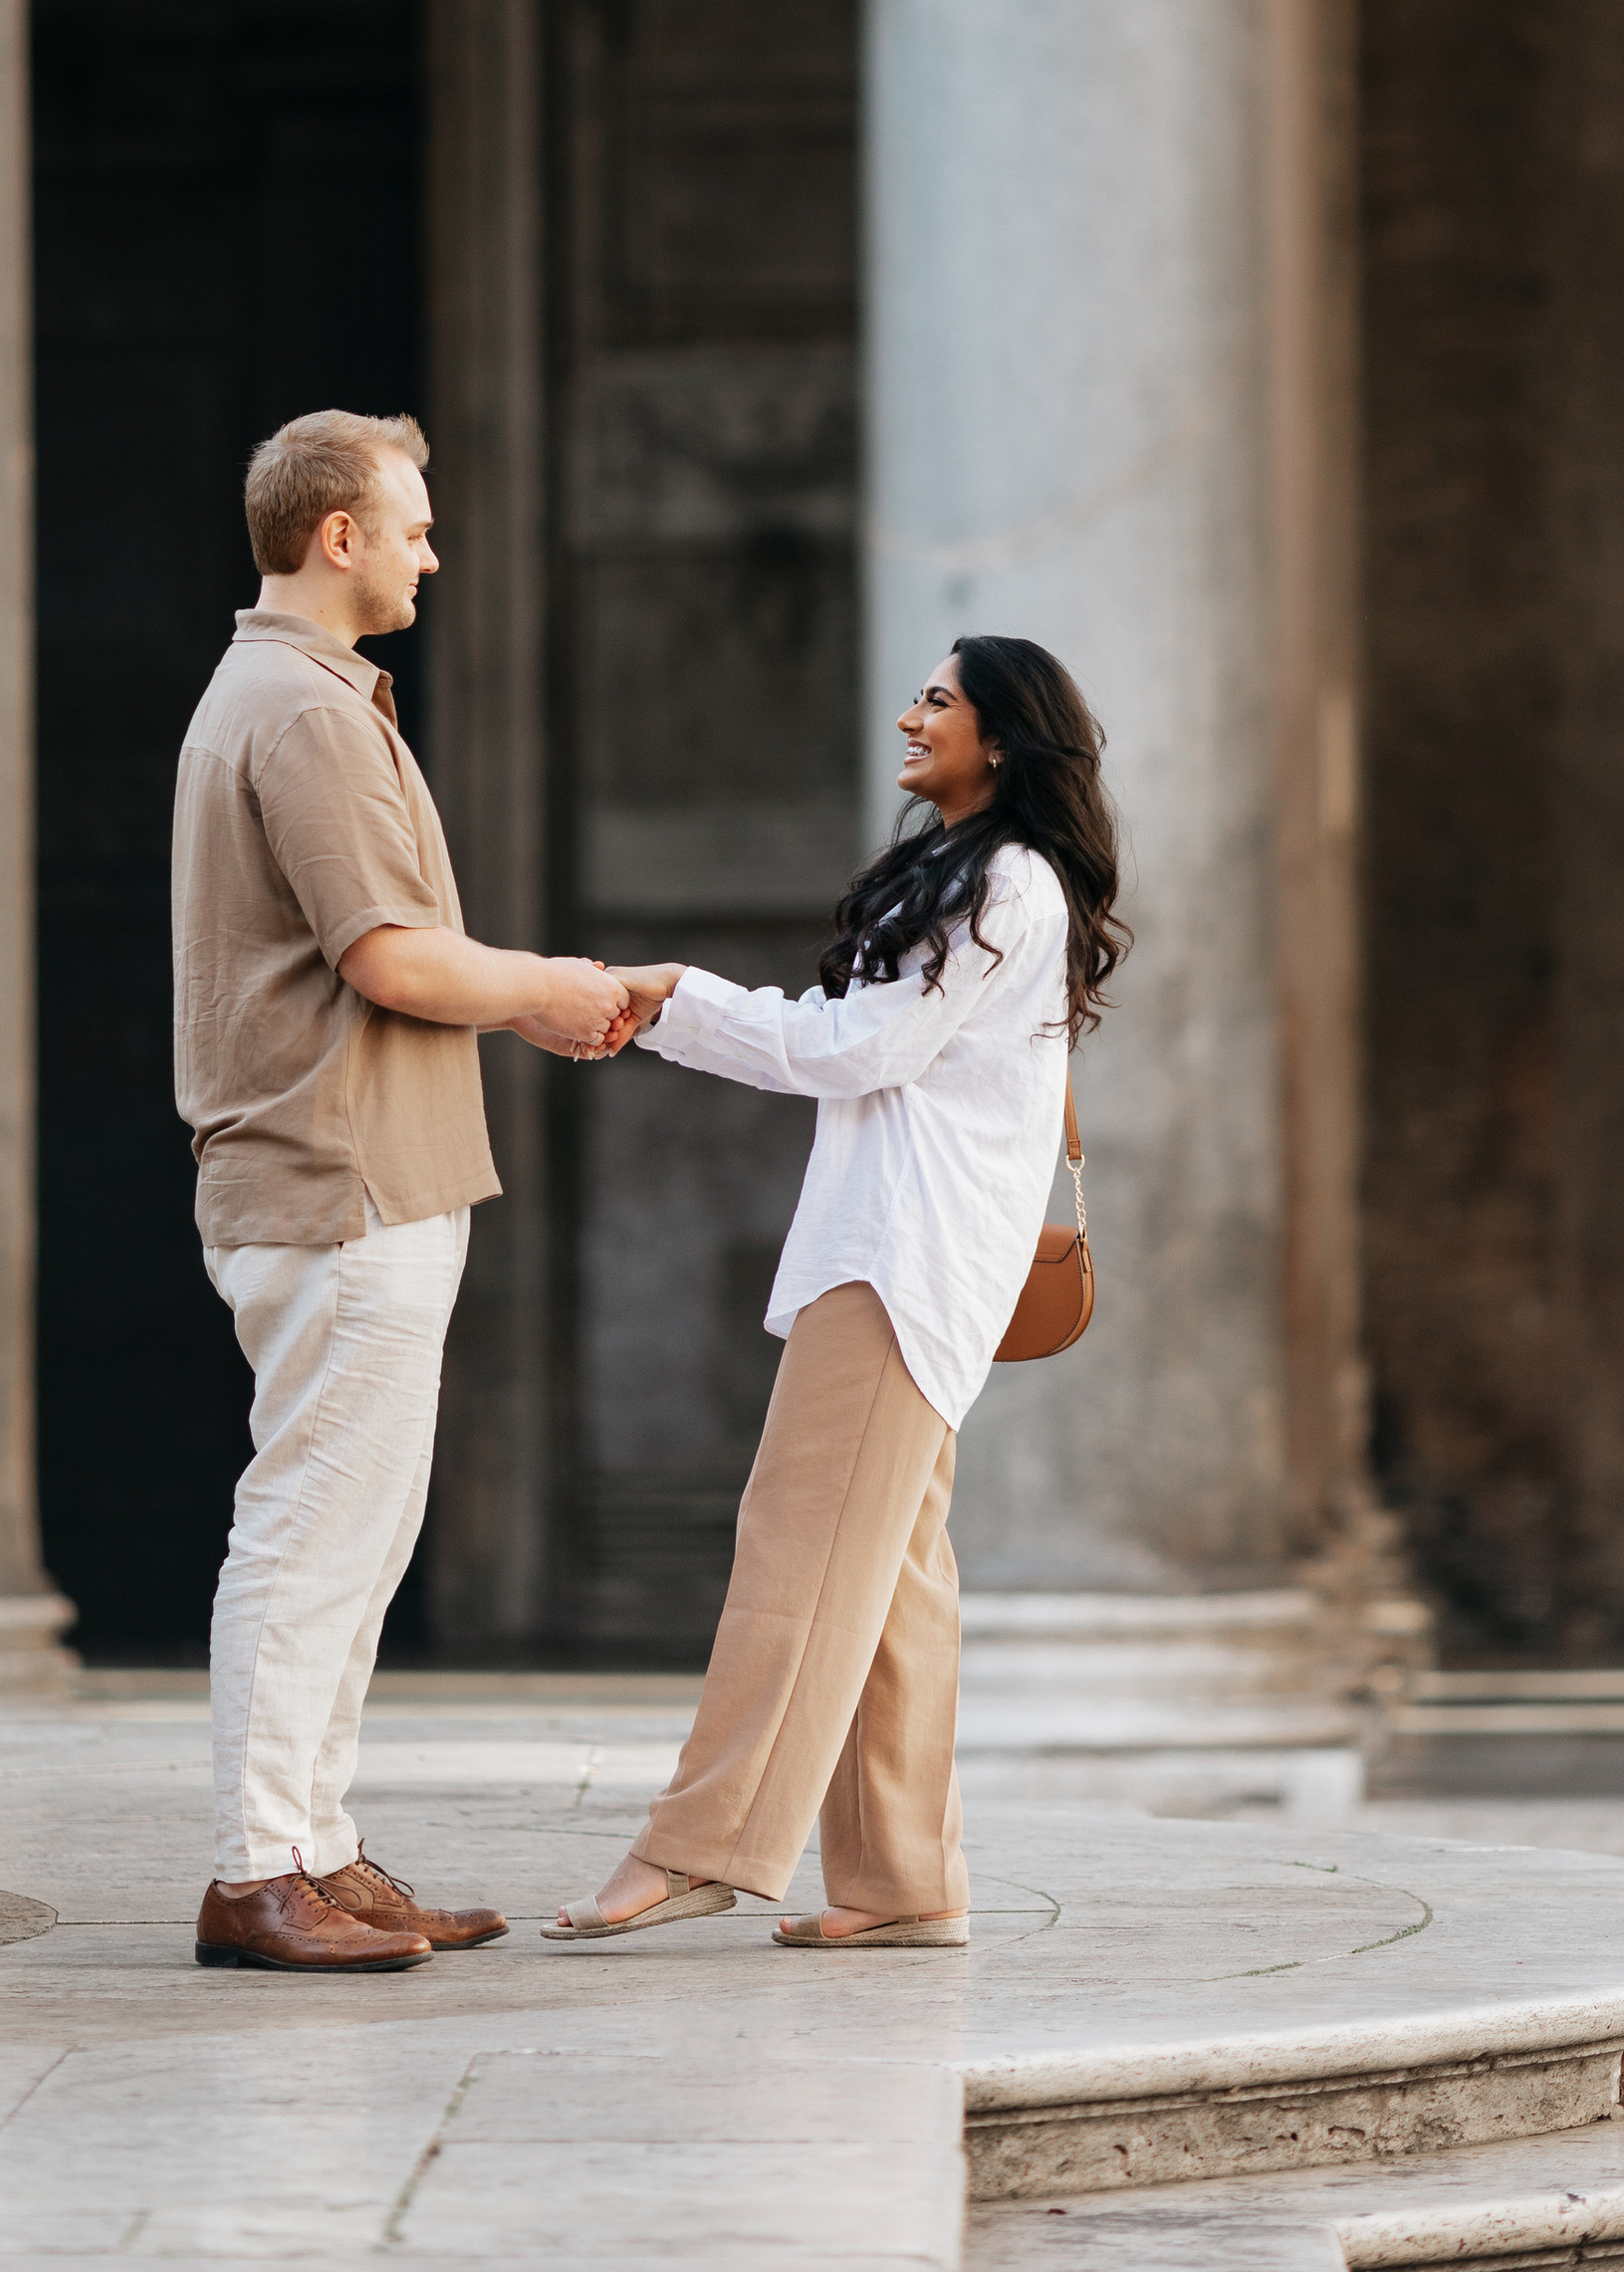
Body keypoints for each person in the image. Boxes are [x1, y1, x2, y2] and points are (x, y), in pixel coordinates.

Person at [545, 632, 1128, 1950]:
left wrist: (669, 996)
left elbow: (857, 1050)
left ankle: (703, 1845)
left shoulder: (1012, 888)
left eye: (941, 700)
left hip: (904, 1259)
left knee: (798, 1551)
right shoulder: (956, 872)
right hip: (888, 1247)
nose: (911, 715)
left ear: (1006, 737)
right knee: (896, 1575)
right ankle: (903, 1878)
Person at [174, 407, 625, 1973]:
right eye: (414, 522)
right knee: (311, 1532)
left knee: (357, 1535)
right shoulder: (301, 712)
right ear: (337, 535)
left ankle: (320, 1846)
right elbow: (390, 960)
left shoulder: (304, 698)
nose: (434, 547)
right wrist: (549, 991)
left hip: (363, 1177)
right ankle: (258, 1872)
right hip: (339, 1179)